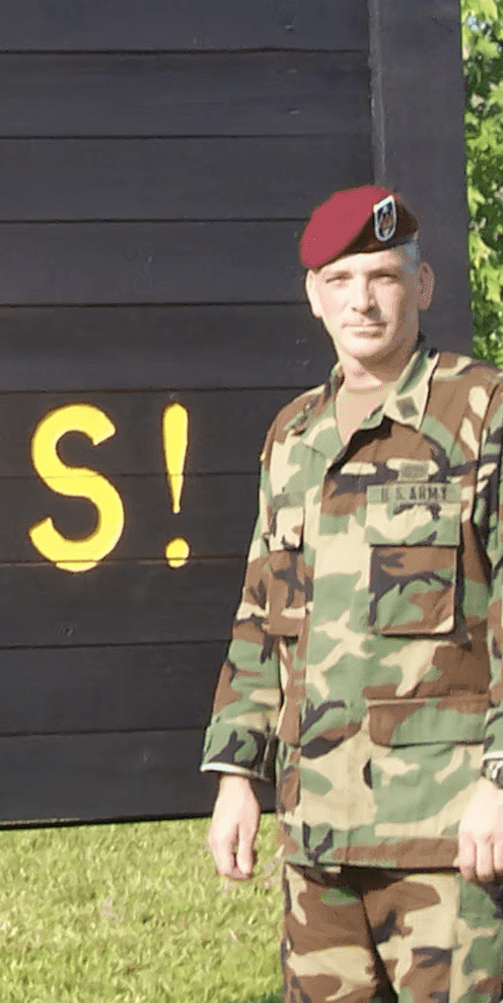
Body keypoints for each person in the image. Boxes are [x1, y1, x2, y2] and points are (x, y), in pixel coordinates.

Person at [202, 185, 503, 1002]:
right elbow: (262, 615)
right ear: (314, 297)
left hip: (448, 838)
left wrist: (500, 785)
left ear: (425, 285)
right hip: (319, 842)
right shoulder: (295, 436)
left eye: (384, 276)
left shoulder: (482, 413)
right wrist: (238, 777)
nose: (362, 301)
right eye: (341, 281)